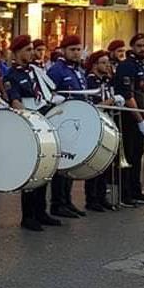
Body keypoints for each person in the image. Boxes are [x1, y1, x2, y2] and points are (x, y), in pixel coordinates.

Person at [5, 35, 63, 231]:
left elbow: (48, 93)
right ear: (17, 52)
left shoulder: (36, 71)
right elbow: (15, 101)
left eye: (32, 49)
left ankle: (41, 211)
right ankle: (28, 216)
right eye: (28, 50)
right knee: (32, 171)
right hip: (29, 124)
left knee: (46, 168)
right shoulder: (11, 75)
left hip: (45, 121)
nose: (32, 53)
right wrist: (31, 118)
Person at [112, 34, 144, 207]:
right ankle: (125, 194)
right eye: (139, 45)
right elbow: (127, 95)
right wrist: (140, 119)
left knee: (138, 155)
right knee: (129, 156)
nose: (143, 49)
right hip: (130, 118)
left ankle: (136, 190)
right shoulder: (126, 66)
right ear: (132, 47)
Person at [46, 35, 88, 218]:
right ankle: (57, 203)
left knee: (71, 161)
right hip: (62, 121)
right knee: (61, 163)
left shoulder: (78, 69)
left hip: (76, 120)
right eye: (72, 49)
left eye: (79, 49)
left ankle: (67, 200)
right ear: (63, 51)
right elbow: (49, 94)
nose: (76, 53)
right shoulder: (57, 70)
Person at [83, 50, 120, 211]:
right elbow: (93, 106)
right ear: (94, 65)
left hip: (108, 123)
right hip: (95, 124)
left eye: (108, 62)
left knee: (105, 162)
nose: (107, 65)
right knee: (95, 162)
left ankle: (101, 196)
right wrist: (112, 100)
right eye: (103, 63)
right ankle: (92, 199)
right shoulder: (90, 82)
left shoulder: (106, 80)